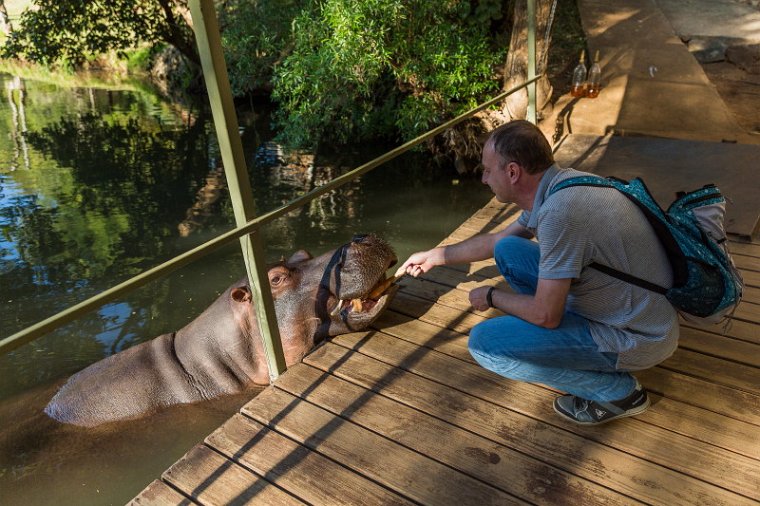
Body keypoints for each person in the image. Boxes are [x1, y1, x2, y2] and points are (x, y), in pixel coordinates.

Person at [396, 120, 679, 425]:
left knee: (486, 345)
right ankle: (562, 339)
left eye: (488, 170)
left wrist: (492, 296)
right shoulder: (562, 184)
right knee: (508, 249)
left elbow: (547, 316)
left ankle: (617, 392)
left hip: (638, 335)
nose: (483, 179)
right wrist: (435, 256)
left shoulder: (559, 215)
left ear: (513, 172)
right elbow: (496, 241)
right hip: (633, 305)